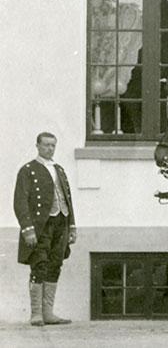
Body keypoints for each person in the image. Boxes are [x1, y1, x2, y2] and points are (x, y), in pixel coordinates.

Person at [14, 132, 76, 326]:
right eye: (46, 145)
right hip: (41, 225)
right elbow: (20, 201)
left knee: (55, 264)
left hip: (61, 221)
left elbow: (68, 199)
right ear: (37, 146)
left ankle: (48, 313)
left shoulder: (60, 170)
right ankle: (36, 314)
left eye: (53, 145)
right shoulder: (28, 170)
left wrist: (72, 225)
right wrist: (27, 228)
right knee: (39, 264)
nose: (50, 148)